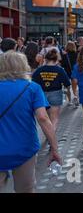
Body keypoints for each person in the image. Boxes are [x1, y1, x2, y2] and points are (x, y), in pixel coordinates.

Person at [0, 52, 62, 193]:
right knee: (26, 188)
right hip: (24, 148)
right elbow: (43, 118)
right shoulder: (32, 88)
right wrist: (54, 148)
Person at [32, 49, 71, 133]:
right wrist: (69, 93)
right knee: (54, 117)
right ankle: (51, 136)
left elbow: (33, 83)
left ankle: (49, 135)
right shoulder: (60, 70)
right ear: (56, 60)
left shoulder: (39, 70)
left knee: (46, 118)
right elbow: (67, 83)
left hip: (42, 94)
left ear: (45, 59)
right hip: (56, 93)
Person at [60, 41, 78, 106]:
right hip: (75, 72)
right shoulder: (77, 54)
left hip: (66, 72)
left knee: (67, 87)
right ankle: (75, 96)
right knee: (74, 87)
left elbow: (62, 64)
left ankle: (69, 100)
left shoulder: (64, 55)